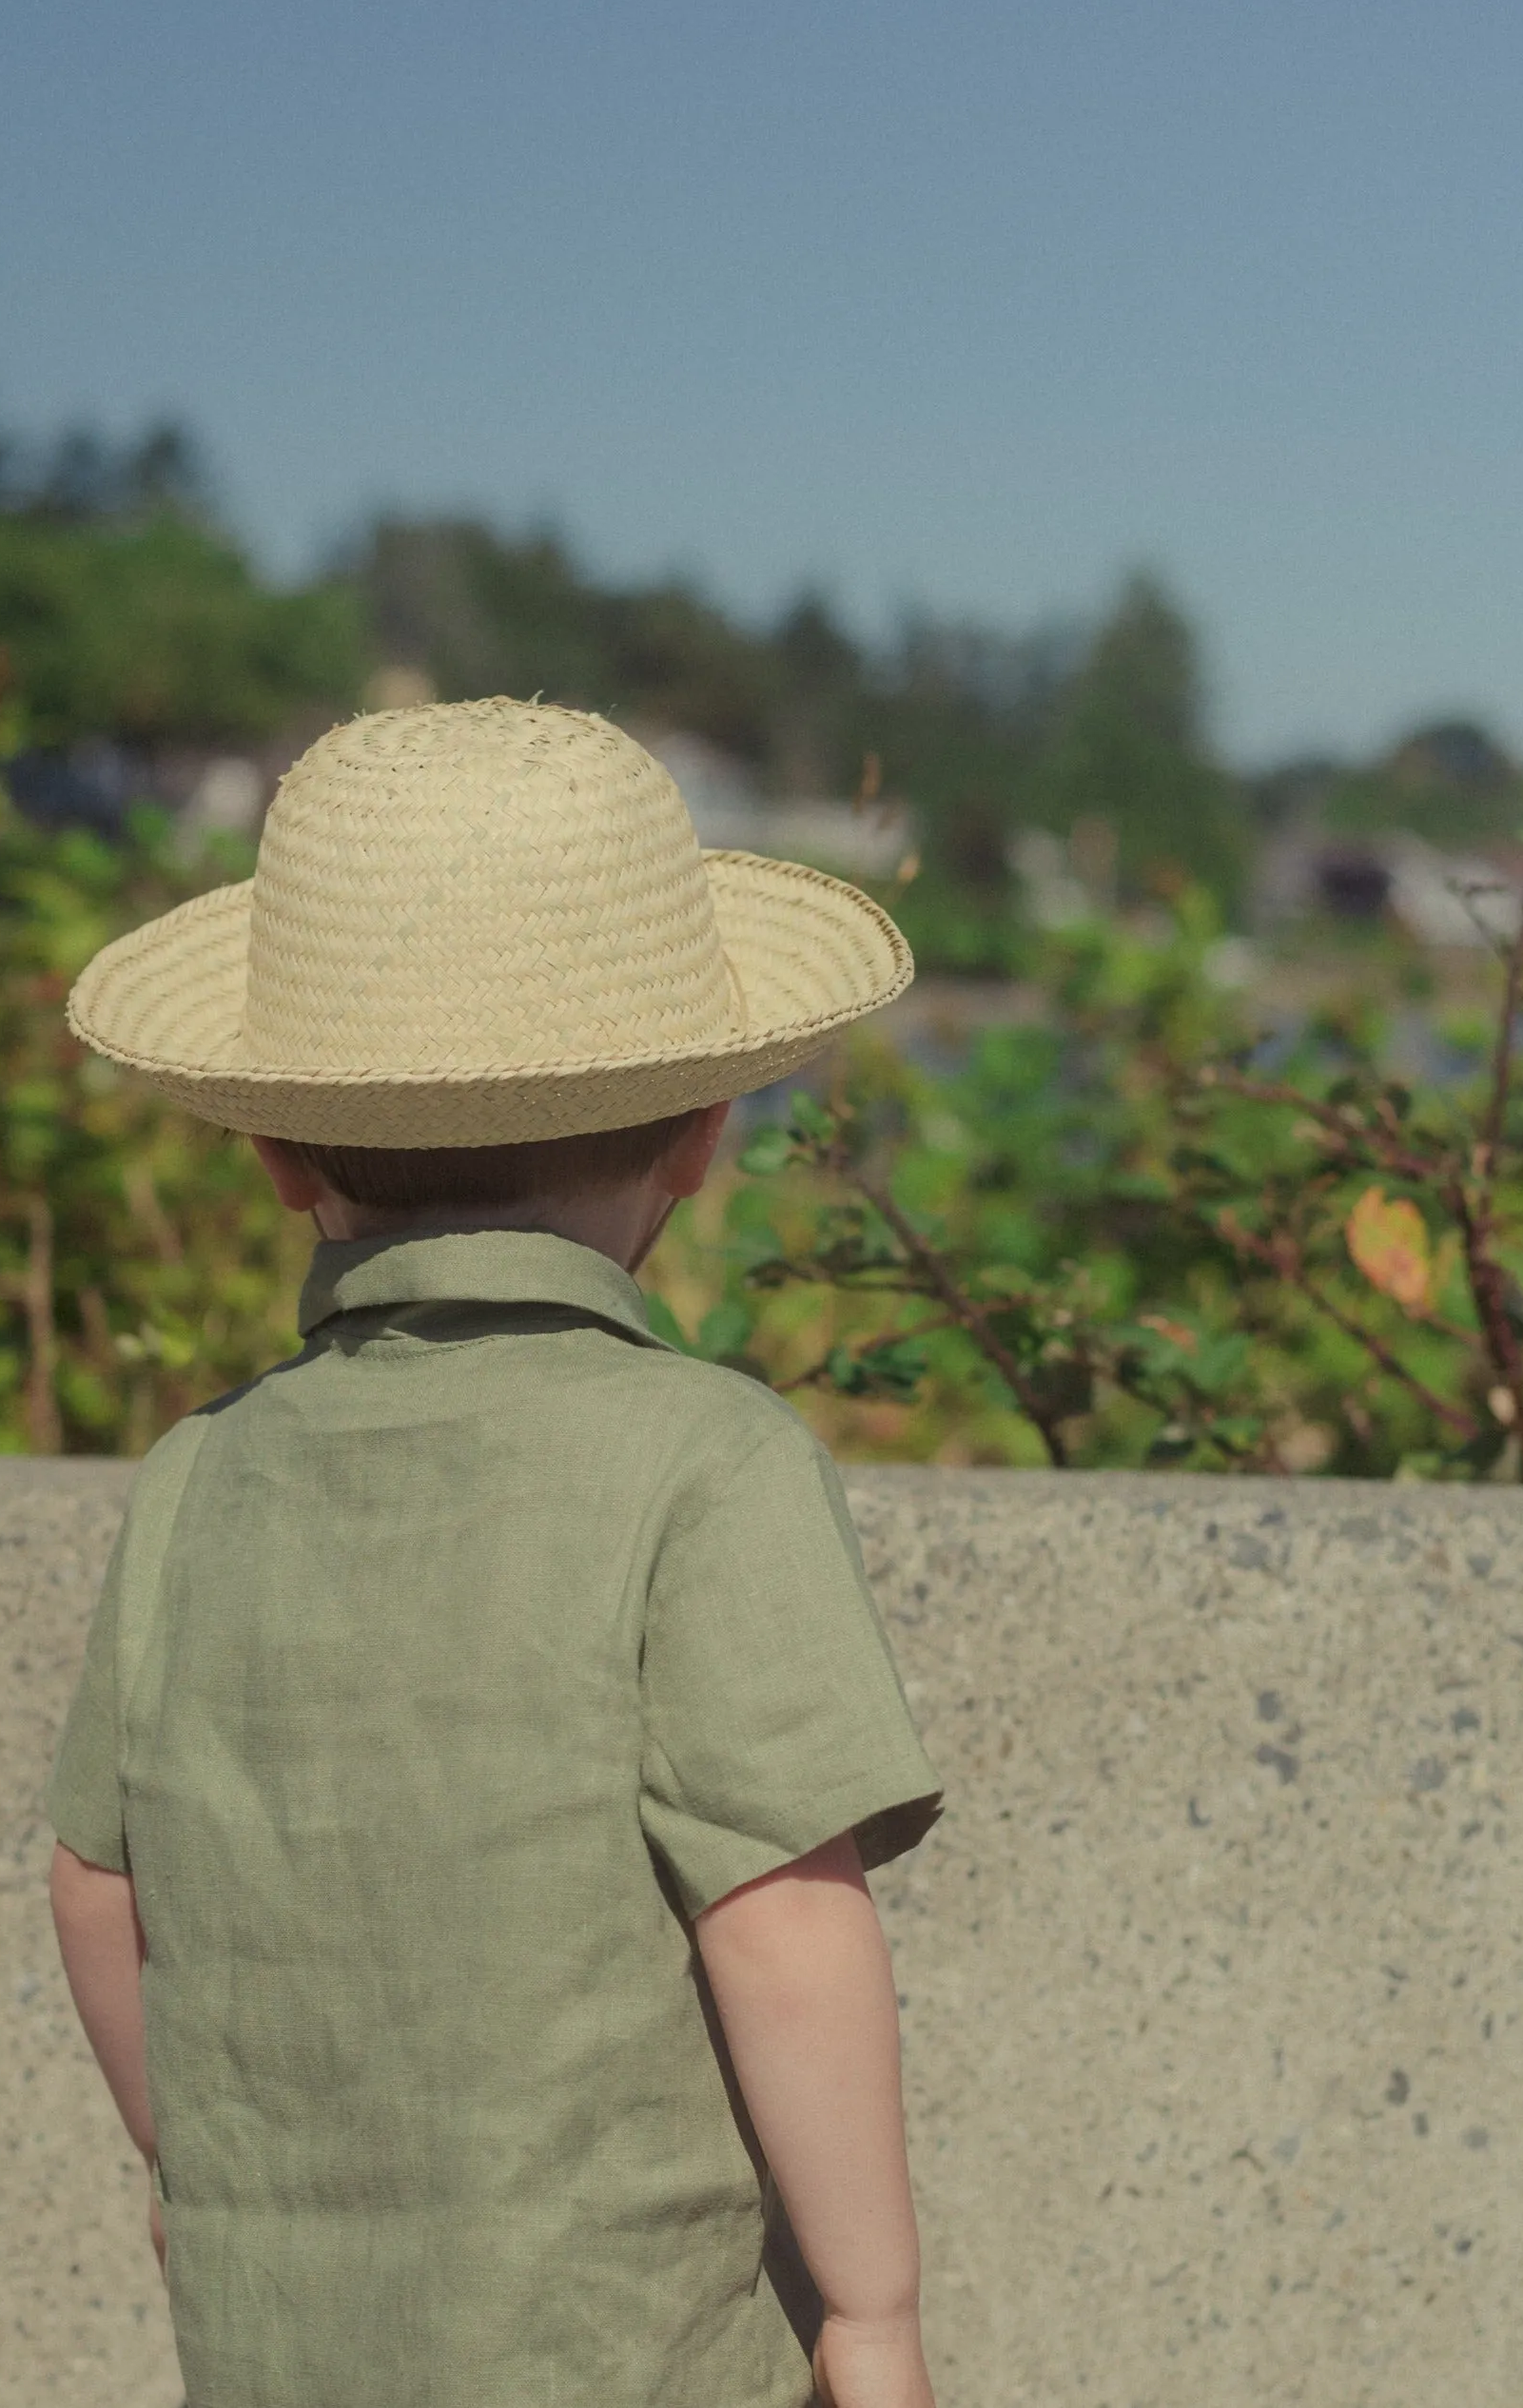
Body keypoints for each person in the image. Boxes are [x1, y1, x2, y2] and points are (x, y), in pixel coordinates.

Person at [46, 697, 943, 2408]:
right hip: (629, 2352)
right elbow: (782, 1921)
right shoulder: (704, 1462)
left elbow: (100, 1882)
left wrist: (191, 2172)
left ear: (274, 1158)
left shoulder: (197, 1480)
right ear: (703, 1133)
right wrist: (874, 2310)